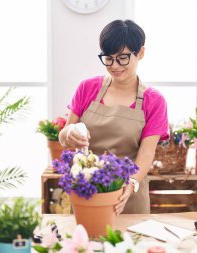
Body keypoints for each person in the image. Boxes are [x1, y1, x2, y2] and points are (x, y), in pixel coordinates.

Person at [58, 19, 169, 214]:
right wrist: (68, 134)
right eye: (108, 58)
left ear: (140, 53)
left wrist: (132, 182)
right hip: (88, 192)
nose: (114, 65)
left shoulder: (154, 101)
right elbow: (64, 135)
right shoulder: (88, 88)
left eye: (122, 58)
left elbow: (146, 153)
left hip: (129, 194)